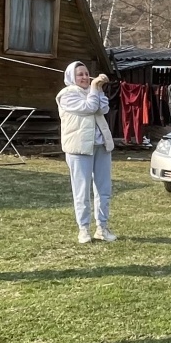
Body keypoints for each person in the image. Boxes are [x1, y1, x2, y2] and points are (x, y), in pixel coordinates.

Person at [57, 61, 116, 244]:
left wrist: (97, 89)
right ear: (71, 77)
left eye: (86, 73)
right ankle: (83, 229)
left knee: (103, 190)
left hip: (101, 146)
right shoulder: (66, 95)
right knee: (81, 191)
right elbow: (89, 108)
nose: (84, 77)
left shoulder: (94, 90)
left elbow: (103, 108)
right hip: (79, 148)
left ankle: (102, 227)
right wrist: (94, 87)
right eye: (79, 74)